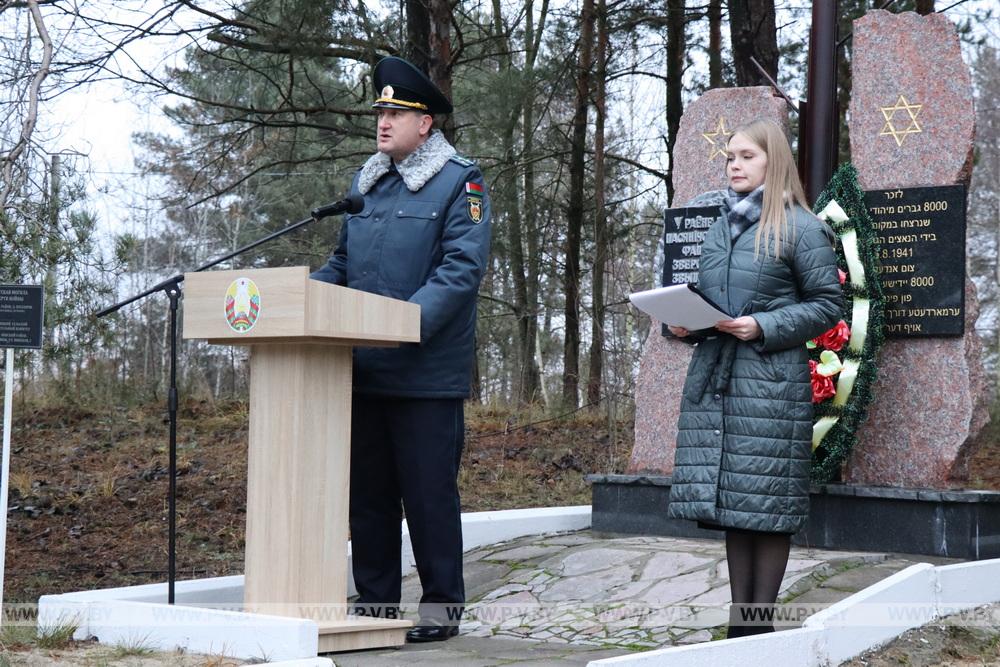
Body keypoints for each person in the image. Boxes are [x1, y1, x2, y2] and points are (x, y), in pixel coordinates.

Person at [310, 56, 491, 643]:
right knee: (370, 499)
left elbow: (460, 271)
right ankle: (376, 607)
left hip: (424, 371)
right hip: (362, 367)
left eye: (397, 112)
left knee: (428, 496)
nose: (383, 122)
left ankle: (441, 610)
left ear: (426, 124)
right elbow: (343, 263)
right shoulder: (366, 183)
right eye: (381, 111)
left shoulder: (460, 181)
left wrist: (402, 323)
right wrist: (298, 298)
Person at [665, 119, 842, 638]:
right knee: (736, 505)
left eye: (746, 156)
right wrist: (683, 324)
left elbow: (828, 305)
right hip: (719, 379)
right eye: (729, 157)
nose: (734, 165)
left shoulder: (800, 227)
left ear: (773, 161)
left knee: (767, 505)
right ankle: (740, 625)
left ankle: (758, 626)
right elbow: (707, 299)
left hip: (770, 383)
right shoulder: (722, 225)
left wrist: (762, 324)